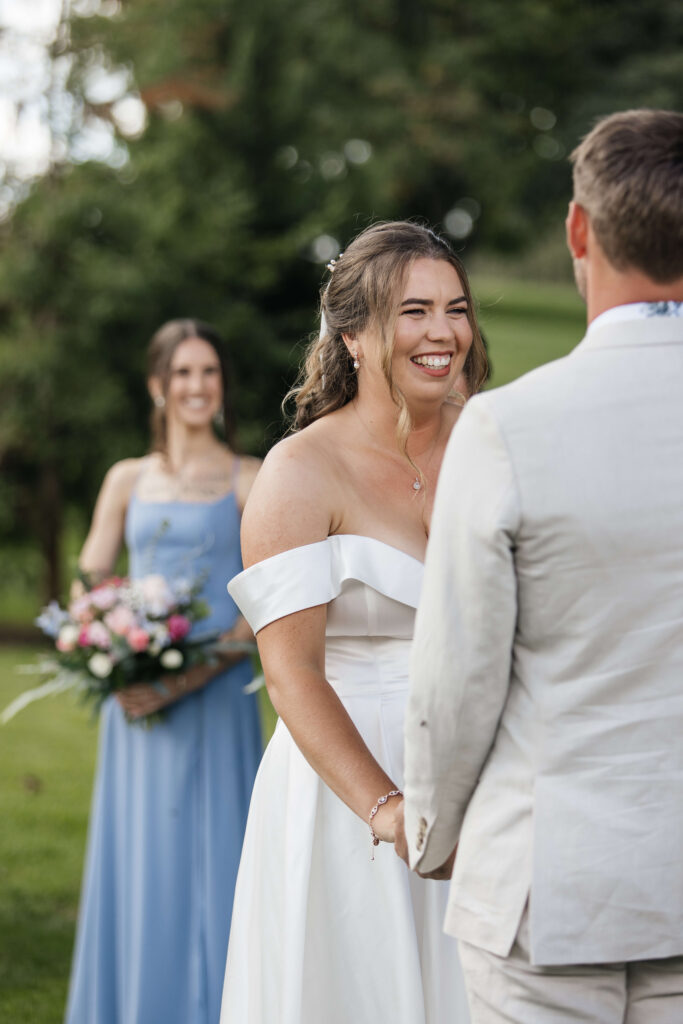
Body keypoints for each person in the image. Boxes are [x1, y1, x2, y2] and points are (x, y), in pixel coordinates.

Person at [398, 109, 683, 1022]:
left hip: (547, 893)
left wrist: (431, 832)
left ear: (577, 229)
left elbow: (456, 676)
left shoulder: (508, 427)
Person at [220, 221, 488, 1024]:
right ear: (353, 338)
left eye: (456, 307)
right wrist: (386, 810)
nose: (442, 332)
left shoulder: (497, 441)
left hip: (484, 774)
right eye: (413, 311)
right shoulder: (301, 471)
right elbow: (290, 670)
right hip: (348, 786)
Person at [65, 318, 263, 1024]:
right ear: (157, 385)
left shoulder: (251, 479)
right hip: (136, 710)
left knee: (214, 864)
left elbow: (258, 609)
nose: (196, 386)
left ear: (221, 386)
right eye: (182, 373)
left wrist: (178, 679)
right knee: (141, 863)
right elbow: (93, 577)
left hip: (213, 704)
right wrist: (114, 650)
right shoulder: (127, 479)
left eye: (208, 372)